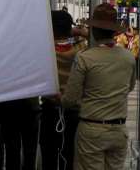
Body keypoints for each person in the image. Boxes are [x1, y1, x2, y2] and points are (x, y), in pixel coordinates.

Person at [61, 3, 136, 170]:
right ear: (115, 31)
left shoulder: (85, 58)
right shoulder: (128, 57)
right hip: (119, 130)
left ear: (93, 31)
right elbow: (129, 87)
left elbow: (70, 99)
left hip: (92, 130)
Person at [40, 10, 84, 170]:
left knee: (49, 155)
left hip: (49, 110)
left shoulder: (44, 51)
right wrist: (77, 31)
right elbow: (90, 34)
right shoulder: (81, 51)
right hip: (74, 111)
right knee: (70, 156)